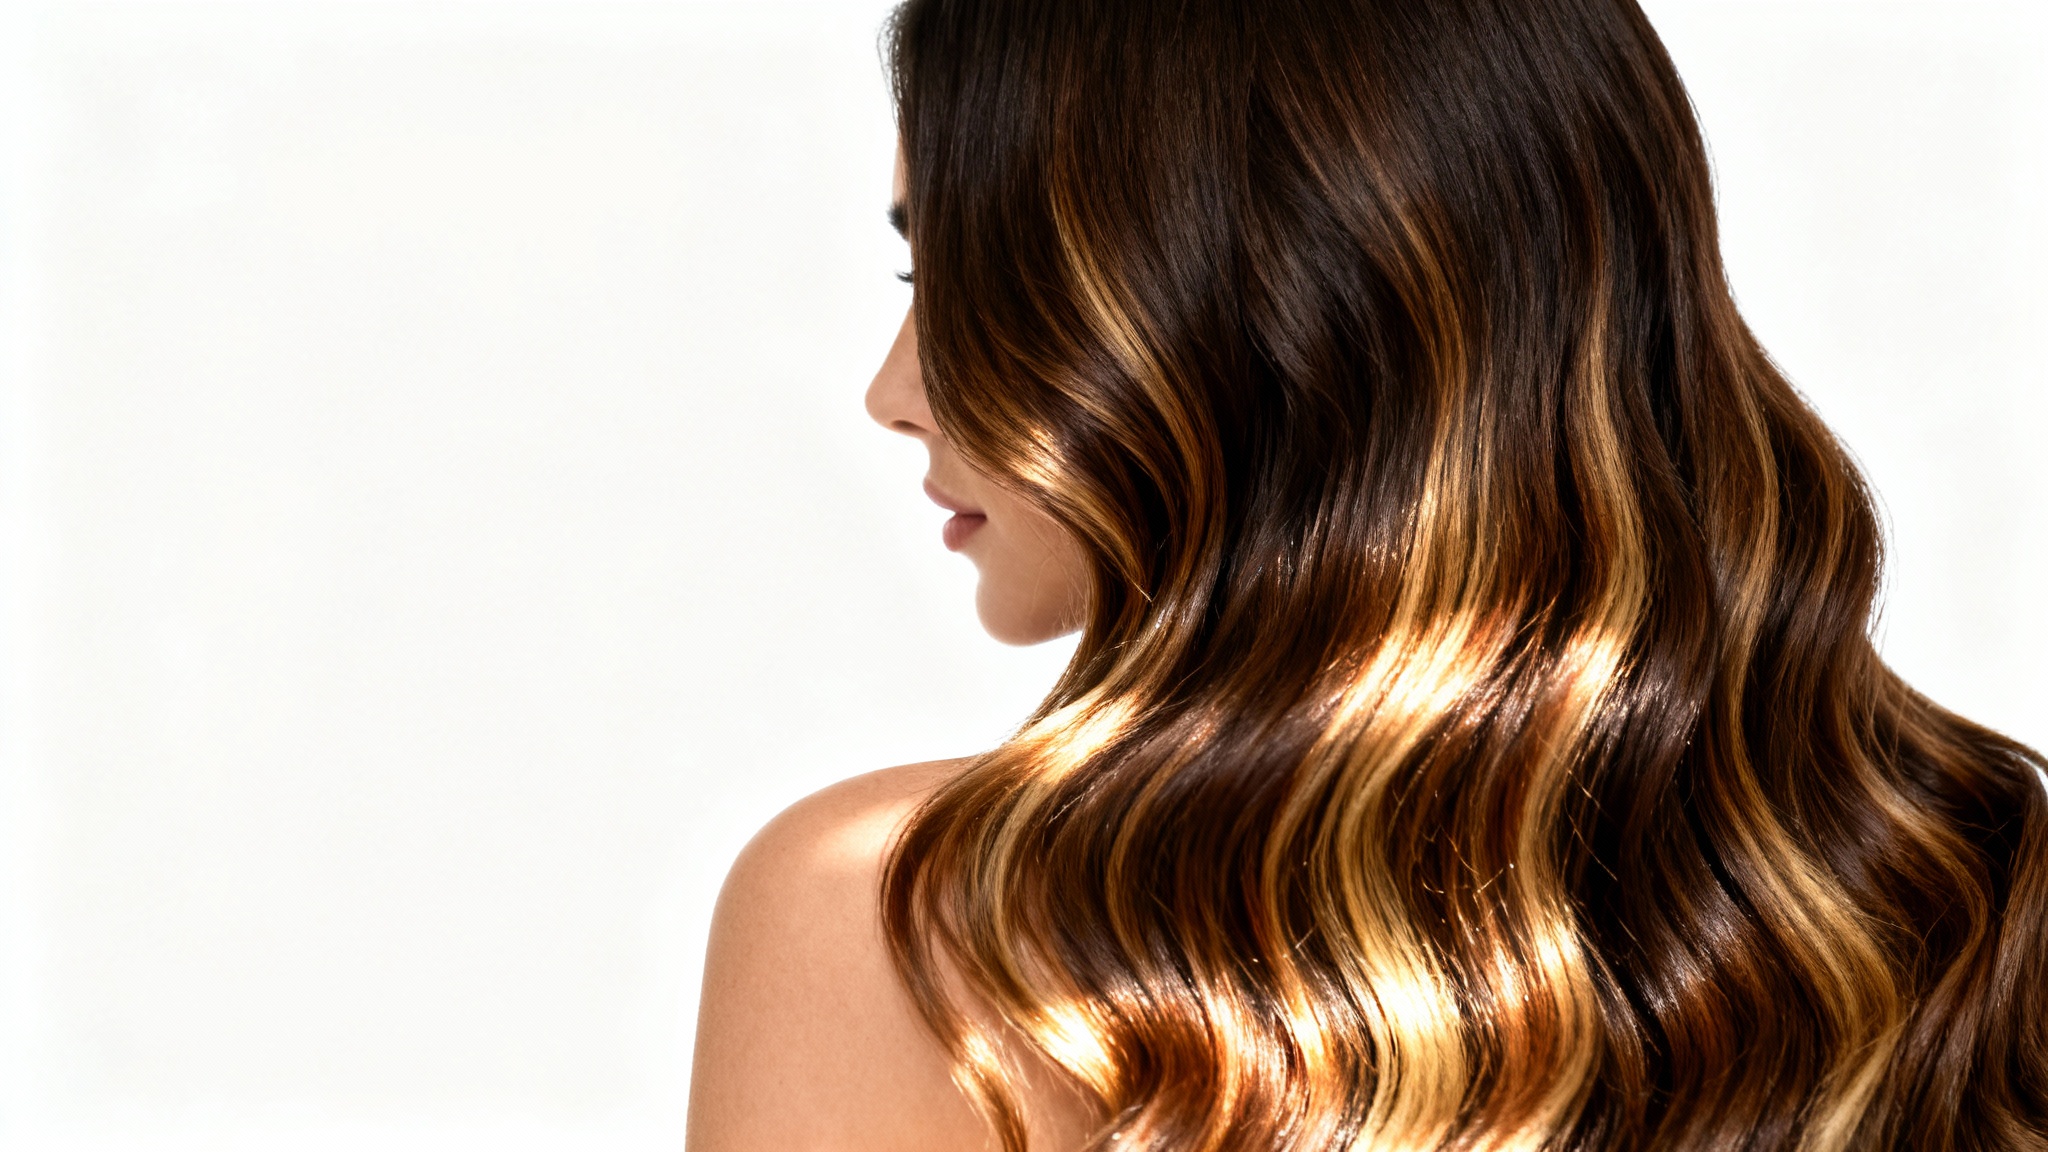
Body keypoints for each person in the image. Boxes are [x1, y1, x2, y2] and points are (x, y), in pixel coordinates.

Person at [685, 0, 2048, 1148]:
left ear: (1224, 301)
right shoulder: (1978, 893)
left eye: (963, 279)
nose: (891, 392)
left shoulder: (902, 921)